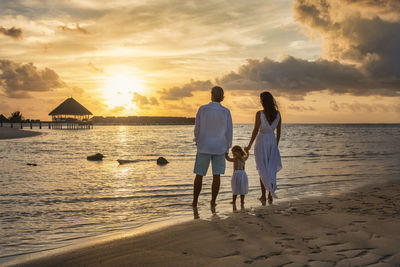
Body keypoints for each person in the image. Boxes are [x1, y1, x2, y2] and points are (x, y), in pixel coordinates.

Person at [192, 86, 233, 207]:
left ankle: (195, 201)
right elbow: (229, 132)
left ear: (212, 95)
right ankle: (213, 201)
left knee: (199, 174)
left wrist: (198, 141)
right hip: (220, 146)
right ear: (222, 96)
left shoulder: (203, 109)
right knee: (217, 175)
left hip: (204, 145)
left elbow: (197, 128)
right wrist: (228, 147)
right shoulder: (226, 112)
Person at [245, 91, 282, 203]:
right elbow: (279, 132)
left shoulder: (260, 114)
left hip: (261, 142)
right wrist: (275, 146)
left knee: (262, 168)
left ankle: (263, 195)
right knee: (270, 169)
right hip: (272, 142)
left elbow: (255, 130)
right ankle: (270, 195)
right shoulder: (278, 114)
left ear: (263, 101)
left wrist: (249, 146)